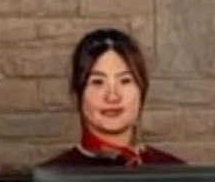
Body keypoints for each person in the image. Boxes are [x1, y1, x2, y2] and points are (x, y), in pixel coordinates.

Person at [41, 27, 187, 168]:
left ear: (142, 90)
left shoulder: (175, 173)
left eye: (125, 81)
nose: (112, 96)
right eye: (98, 82)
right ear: (78, 92)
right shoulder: (53, 179)